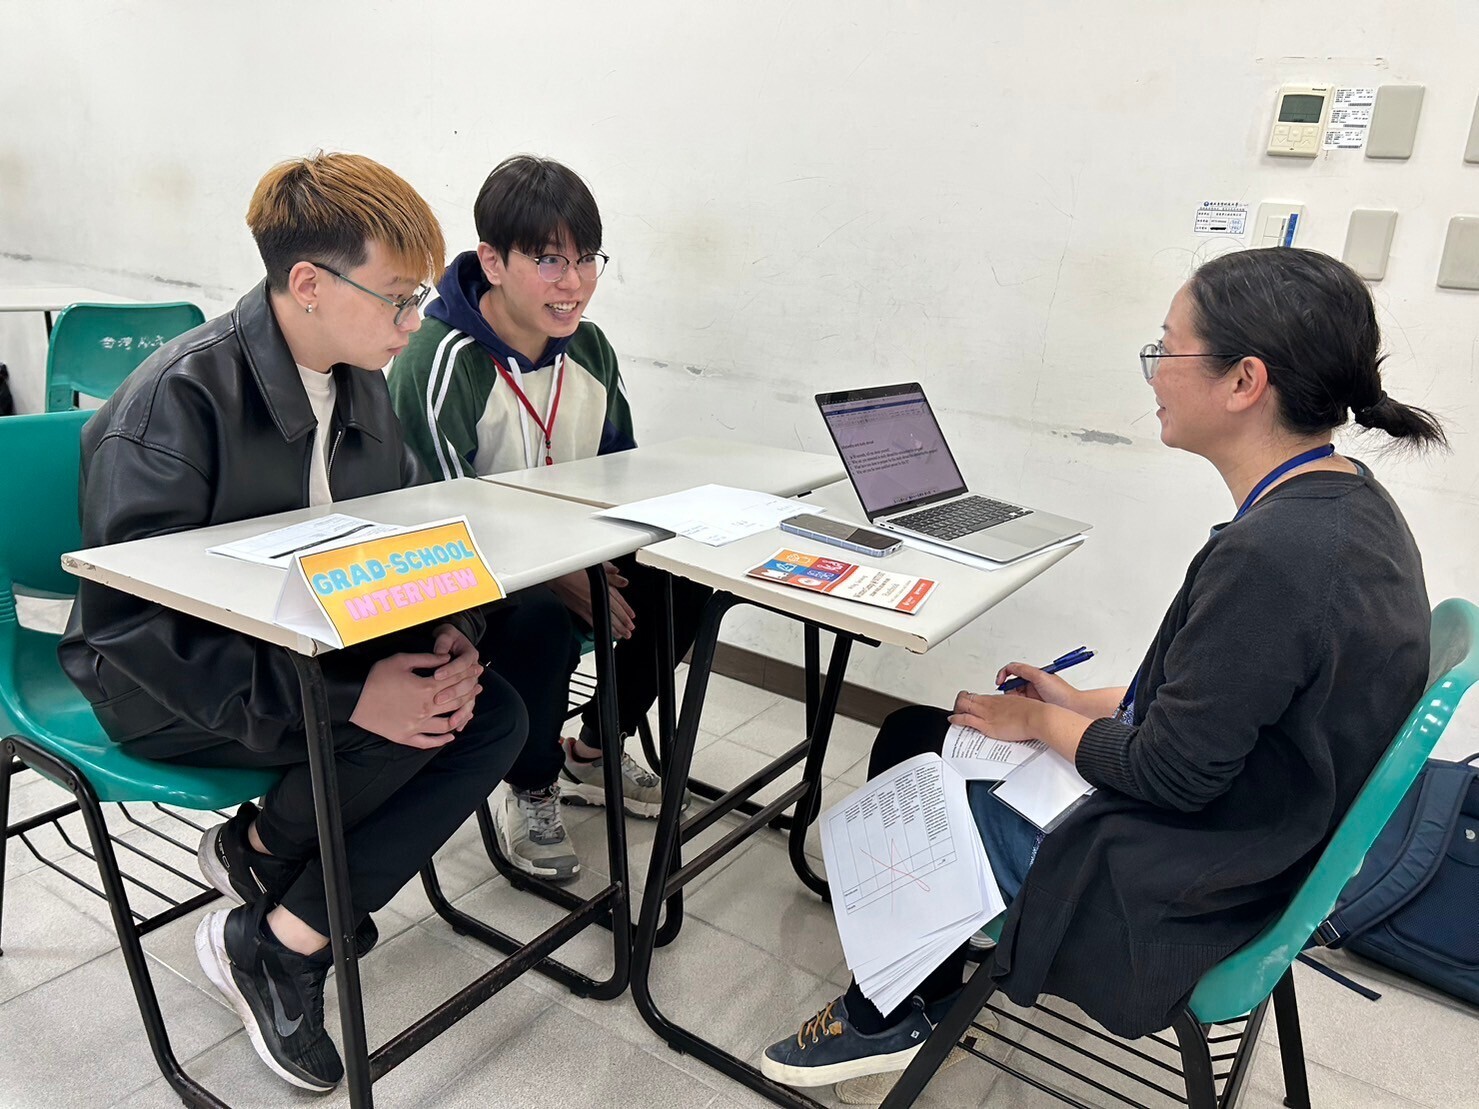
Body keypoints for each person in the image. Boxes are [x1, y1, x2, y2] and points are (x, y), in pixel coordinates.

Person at [760, 247, 1443, 1091]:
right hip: (1267, 822)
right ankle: (913, 974)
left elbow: (1172, 771)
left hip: (1199, 867)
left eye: (1167, 348)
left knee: (919, 753)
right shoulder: (1345, 502)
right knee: (921, 728)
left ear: (1244, 382)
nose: (1153, 372)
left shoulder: (1276, 554)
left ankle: (885, 1011)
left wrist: (1042, 721)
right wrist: (1080, 699)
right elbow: (1240, 692)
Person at [58, 153, 528, 1093]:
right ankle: (279, 896)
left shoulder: (360, 382)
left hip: (294, 651)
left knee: (491, 711)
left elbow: (397, 539)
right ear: (308, 284)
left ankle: (275, 918)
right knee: (401, 718)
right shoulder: (172, 403)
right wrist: (356, 697)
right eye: (399, 297)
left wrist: (447, 635)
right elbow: (132, 633)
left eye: (420, 296)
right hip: (162, 681)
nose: (416, 321)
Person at [388, 155, 706, 881]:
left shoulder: (590, 349)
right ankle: (531, 786)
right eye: (549, 260)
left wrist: (598, 559)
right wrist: (568, 575)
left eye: (586, 258)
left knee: (684, 575)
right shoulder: (441, 361)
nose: (574, 283)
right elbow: (436, 520)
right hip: (470, 578)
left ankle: (593, 748)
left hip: (570, 552)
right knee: (533, 619)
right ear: (492, 261)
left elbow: (617, 475)